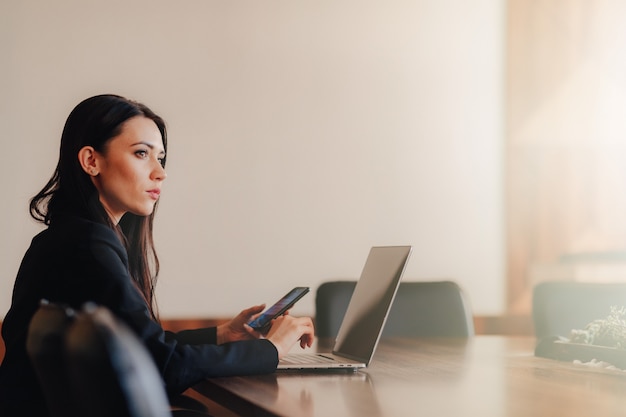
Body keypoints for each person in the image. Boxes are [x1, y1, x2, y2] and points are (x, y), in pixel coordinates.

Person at [0, 94, 315, 416]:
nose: (160, 172)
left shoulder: (69, 237)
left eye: (161, 158)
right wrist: (271, 349)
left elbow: (139, 346)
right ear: (91, 161)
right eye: (141, 154)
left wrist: (223, 334)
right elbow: (161, 366)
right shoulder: (87, 246)